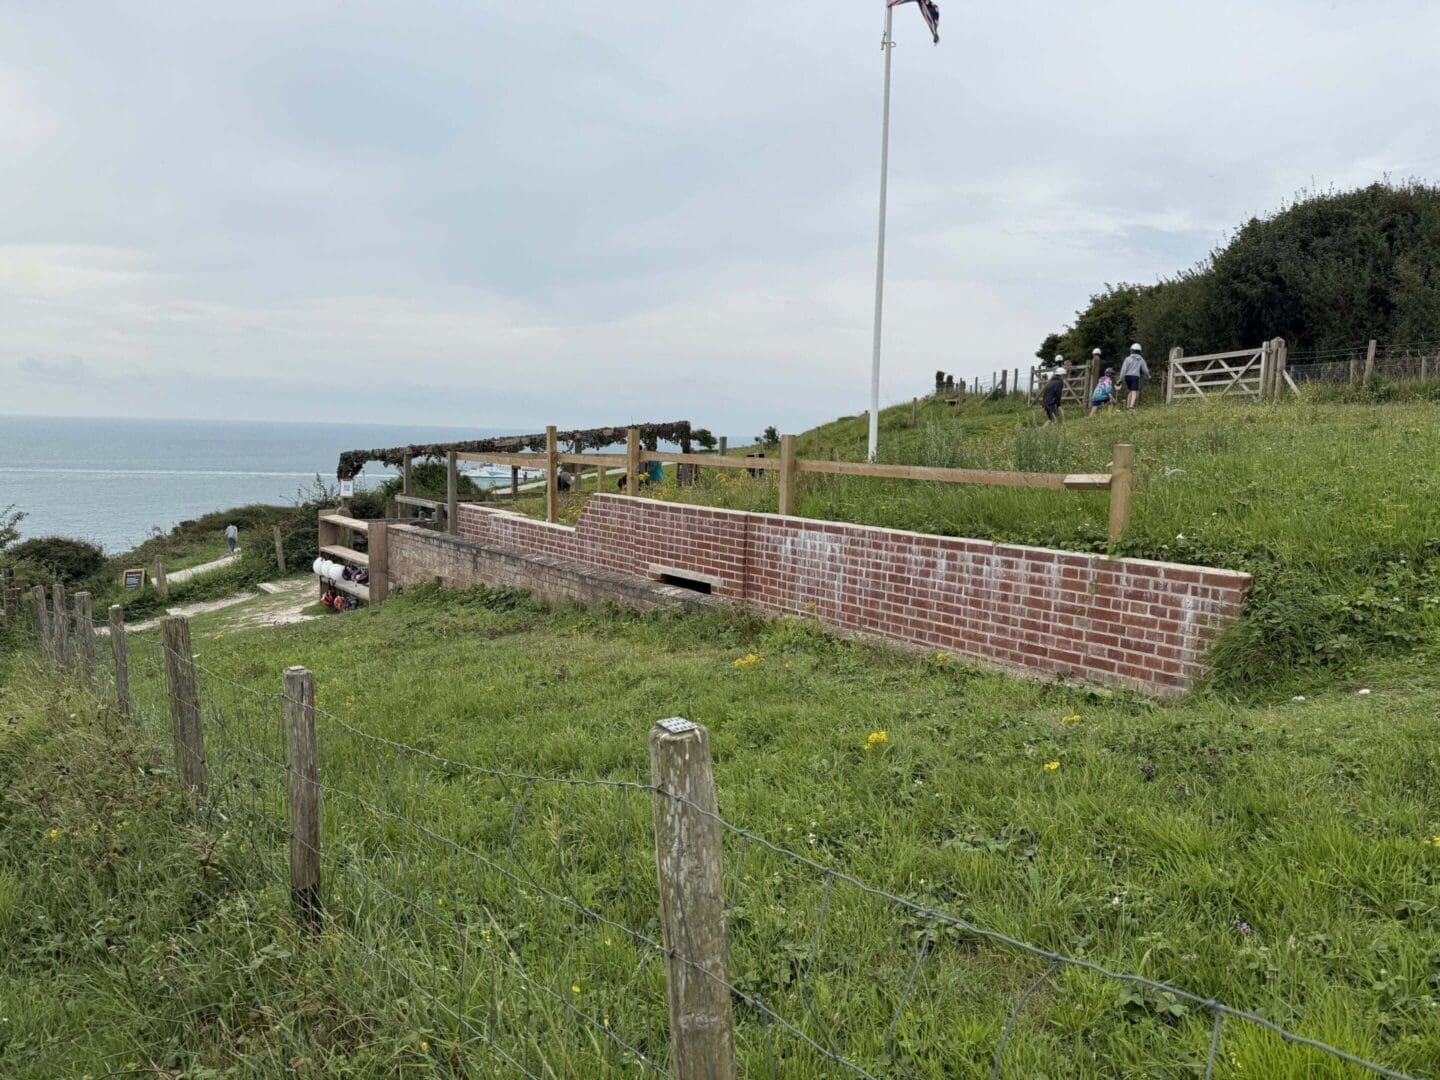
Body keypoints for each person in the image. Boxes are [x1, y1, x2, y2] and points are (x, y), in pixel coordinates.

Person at [1120, 344, 1150, 409]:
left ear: (1132, 350)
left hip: (1127, 377)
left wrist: (1120, 379)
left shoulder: (1127, 359)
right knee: (1134, 391)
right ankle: (1131, 406)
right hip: (1135, 377)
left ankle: (1127, 407)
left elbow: (1123, 370)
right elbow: (1145, 370)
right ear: (1139, 351)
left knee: (1130, 390)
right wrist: (1148, 376)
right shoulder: (1141, 359)